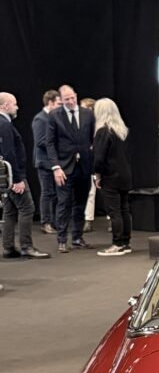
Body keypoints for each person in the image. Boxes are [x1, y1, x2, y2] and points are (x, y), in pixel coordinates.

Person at [46, 83, 96, 253]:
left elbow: (91, 139)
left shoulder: (87, 114)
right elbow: (50, 143)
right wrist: (56, 167)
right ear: (61, 99)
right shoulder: (54, 116)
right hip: (64, 168)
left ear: (76, 95)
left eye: (72, 98)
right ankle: (62, 239)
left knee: (81, 204)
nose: (70, 101)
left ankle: (77, 237)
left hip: (84, 166)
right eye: (66, 99)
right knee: (64, 203)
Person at [0, 92, 50, 259]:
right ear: (5, 105)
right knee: (27, 208)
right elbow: (8, 153)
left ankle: (8, 247)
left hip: (5, 176)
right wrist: (17, 179)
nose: (17, 107)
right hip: (11, 175)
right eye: (14, 104)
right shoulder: (4, 125)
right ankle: (26, 246)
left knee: (9, 210)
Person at [92, 98, 132, 256]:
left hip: (110, 176)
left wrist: (97, 175)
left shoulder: (103, 131)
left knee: (114, 211)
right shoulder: (123, 131)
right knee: (124, 209)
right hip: (125, 175)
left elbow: (99, 158)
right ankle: (126, 242)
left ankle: (117, 244)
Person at [32, 89, 61, 234]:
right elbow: (41, 141)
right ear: (50, 103)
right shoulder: (40, 119)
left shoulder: (55, 118)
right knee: (47, 193)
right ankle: (46, 222)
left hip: (55, 162)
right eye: (58, 103)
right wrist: (61, 143)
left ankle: (55, 221)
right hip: (44, 162)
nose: (61, 107)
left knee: (56, 194)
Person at [80, 98, 97, 232]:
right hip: (88, 161)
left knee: (107, 191)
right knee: (90, 191)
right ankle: (88, 220)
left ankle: (111, 219)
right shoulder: (80, 123)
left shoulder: (99, 123)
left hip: (100, 160)